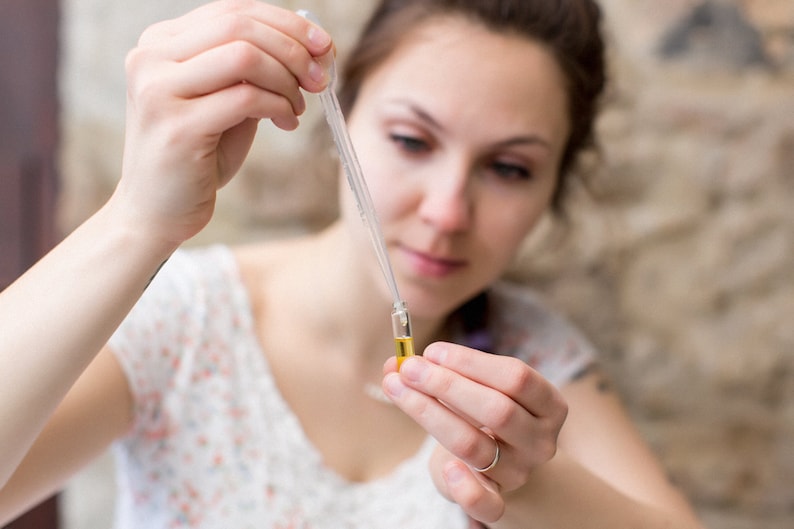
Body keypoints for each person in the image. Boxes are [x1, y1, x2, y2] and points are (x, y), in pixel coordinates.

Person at [0, 0, 706, 527]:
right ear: (345, 118)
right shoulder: (189, 320)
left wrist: (532, 487)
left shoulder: (536, 360)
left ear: (556, 187)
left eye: (510, 168)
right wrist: (140, 218)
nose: (447, 211)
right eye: (411, 140)